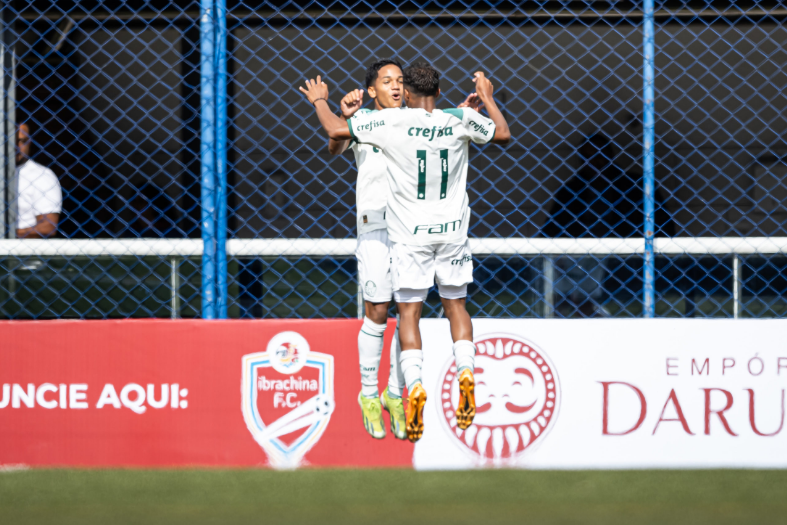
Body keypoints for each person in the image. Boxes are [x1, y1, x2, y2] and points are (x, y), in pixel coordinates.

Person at [299, 63, 511, 442]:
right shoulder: (367, 119)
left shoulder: (409, 120)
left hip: (410, 230)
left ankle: (396, 392)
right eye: (387, 82)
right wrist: (344, 113)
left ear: (408, 91)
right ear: (371, 90)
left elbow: (436, 121)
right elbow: (335, 145)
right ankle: (368, 394)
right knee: (379, 309)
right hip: (379, 225)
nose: (395, 87)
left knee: (405, 310)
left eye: (400, 81)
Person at [542, 133, 673, 316]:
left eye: (599, 157)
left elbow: (665, 228)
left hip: (625, 259)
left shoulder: (636, 187)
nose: (595, 164)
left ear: (610, 158)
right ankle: (575, 310)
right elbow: (547, 234)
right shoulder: (570, 192)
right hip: (578, 259)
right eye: (587, 158)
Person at [15, 123, 62, 238]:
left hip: (23, 251)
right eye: (12, 141)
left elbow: (48, 227)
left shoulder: (41, 175)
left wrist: (8, 235)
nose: (16, 147)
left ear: (29, 142)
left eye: (22, 141)